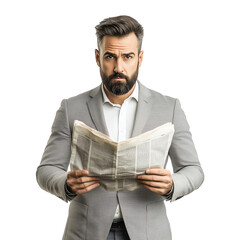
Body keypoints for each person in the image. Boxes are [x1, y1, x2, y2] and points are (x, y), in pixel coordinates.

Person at [36, 15, 204, 240]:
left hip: (148, 233)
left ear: (140, 58)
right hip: (85, 232)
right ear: (97, 57)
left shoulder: (169, 107)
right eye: (110, 57)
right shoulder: (71, 108)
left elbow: (193, 169)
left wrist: (172, 184)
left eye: (127, 57)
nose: (119, 67)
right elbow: (46, 169)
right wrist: (66, 183)